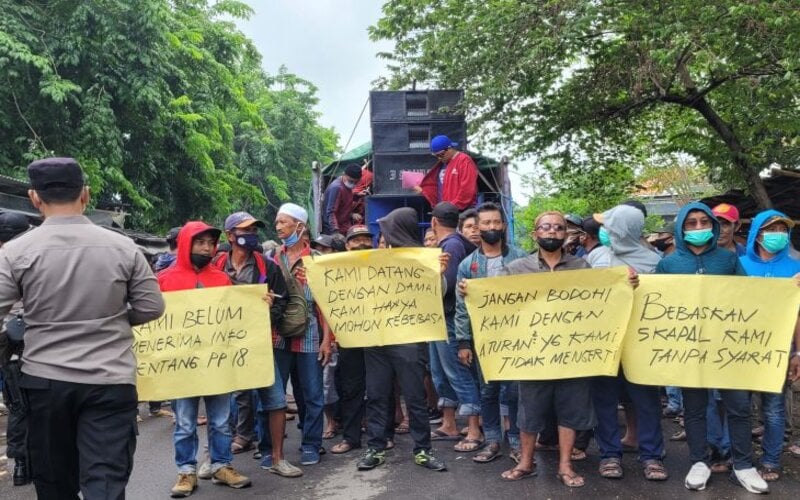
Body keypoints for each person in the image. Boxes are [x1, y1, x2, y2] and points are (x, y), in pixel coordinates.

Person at [0, 157, 166, 499]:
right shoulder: (124, 248)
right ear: (86, 195)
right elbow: (152, 307)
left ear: (34, 197)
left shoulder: (15, 252)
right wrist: (114, 319)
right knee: (105, 484)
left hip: (44, 382)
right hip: (110, 381)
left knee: (55, 484)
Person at [656, 201, 767, 494]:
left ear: (713, 226)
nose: (697, 228)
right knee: (694, 408)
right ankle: (698, 462)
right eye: (690, 224)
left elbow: (748, 295)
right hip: (689, 348)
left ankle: (743, 464)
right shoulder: (668, 264)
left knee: (739, 407)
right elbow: (654, 303)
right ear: (680, 229)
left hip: (727, 347)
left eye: (703, 222)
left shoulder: (728, 260)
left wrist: (789, 288)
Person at [488, 211, 597, 487]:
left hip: (571, 353)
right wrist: (470, 291)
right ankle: (525, 463)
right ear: (535, 234)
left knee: (570, 409)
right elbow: (495, 301)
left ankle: (565, 466)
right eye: (545, 227)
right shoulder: (516, 269)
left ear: (565, 234)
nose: (552, 232)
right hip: (531, 353)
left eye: (558, 228)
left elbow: (599, 304)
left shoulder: (582, 268)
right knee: (529, 409)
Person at [158, 221, 252, 496]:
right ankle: (186, 472)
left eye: (211, 244)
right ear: (187, 243)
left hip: (216, 363)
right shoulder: (164, 280)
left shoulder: (222, 279)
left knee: (221, 420)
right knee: (185, 422)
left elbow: (237, 314)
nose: (207, 248)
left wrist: (259, 302)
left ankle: (222, 465)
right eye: (201, 243)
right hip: (181, 365)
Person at [213, 211, 302, 478]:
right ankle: (217, 461)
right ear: (230, 236)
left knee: (275, 401)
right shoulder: (215, 266)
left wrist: (268, 317)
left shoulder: (268, 267)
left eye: (254, 230)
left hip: (260, 345)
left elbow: (283, 299)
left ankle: (277, 458)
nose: (251, 235)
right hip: (223, 347)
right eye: (245, 231)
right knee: (220, 403)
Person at [358, 207, 447, 472]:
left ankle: (422, 450)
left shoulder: (424, 261)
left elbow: (437, 297)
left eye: (388, 231)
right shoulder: (374, 261)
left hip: (409, 339)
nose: (383, 238)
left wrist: (438, 274)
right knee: (376, 394)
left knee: (415, 396)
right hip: (376, 339)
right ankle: (376, 447)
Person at [592, 205, 667, 482]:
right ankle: (609, 454)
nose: (604, 231)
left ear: (621, 229)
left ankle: (652, 456)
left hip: (640, 343)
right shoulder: (595, 256)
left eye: (608, 226)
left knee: (646, 401)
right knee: (604, 400)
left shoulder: (653, 261)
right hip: (603, 343)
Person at [455, 202, 527, 463]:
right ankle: (493, 440)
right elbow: (462, 308)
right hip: (483, 340)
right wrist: (463, 342)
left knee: (515, 390)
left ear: (504, 226)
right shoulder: (467, 266)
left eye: (496, 222)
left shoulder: (520, 259)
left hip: (516, 338)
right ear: (478, 227)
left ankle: (517, 440)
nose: (491, 227)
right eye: (486, 223)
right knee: (488, 391)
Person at [267, 203, 332, 466]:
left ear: (300, 226)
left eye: (283, 222)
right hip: (278, 335)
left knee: (313, 393)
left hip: (310, 335)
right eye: (277, 222)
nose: (278, 226)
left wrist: (328, 339)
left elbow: (326, 303)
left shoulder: (316, 260)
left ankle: (311, 444)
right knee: (274, 393)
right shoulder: (272, 258)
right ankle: (271, 447)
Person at [739, 210, 800, 482]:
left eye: (782, 229)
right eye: (771, 228)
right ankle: (739, 458)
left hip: (779, 348)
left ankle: (771, 461)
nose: (777, 234)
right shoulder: (738, 265)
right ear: (757, 233)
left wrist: (798, 352)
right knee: (739, 407)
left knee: (773, 409)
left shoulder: (796, 268)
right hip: (739, 348)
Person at [427, 202, 481, 451]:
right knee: (440, 374)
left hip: (448, 318)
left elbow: (446, 287)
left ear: (434, 222)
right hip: (438, 319)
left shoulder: (452, 246)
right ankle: (449, 423)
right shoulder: (451, 244)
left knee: (458, 373)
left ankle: (474, 428)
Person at [330, 225, 375, 455]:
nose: (362, 243)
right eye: (356, 240)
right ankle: (351, 437)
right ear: (347, 245)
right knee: (350, 389)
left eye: (367, 239)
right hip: (349, 337)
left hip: (379, 336)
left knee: (380, 388)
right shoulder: (335, 269)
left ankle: (381, 437)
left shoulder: (383, 265)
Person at [0, 211, 31, 486]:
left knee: (16, 403)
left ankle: (21, 464)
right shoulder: (37, 255)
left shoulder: (5, 259)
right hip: (39, 337)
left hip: (9, 340)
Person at [416, 135, 479, 210]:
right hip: (447, 211)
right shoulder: (442, 164)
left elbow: (467, 190)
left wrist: (451, 208)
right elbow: (437, 187)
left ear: (449, 148)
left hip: (462, 211)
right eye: (436, 155)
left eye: (441, 154)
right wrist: (424, 190)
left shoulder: (464, 160)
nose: (439, 158)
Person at [322, 163, 362, 236]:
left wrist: (356, 196)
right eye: (351, 181)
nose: (353, 184)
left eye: (355, 182)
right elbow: (331, 212)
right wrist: (335, 232)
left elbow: (343, 203)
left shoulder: (347, 186)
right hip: (334, 230)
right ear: (344, 174)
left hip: (345, 226)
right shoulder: (337, 188)